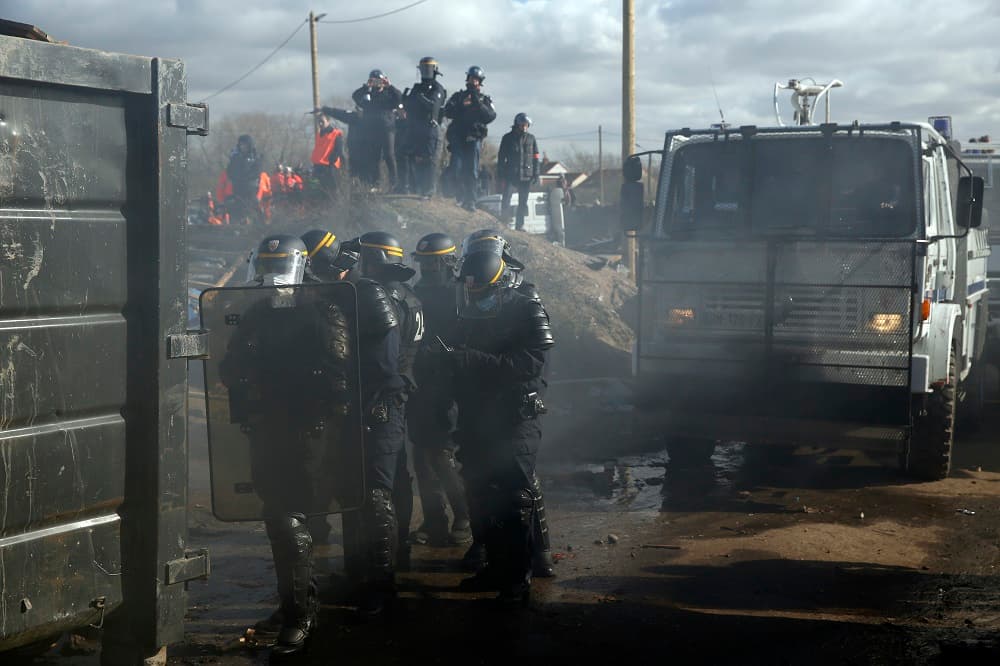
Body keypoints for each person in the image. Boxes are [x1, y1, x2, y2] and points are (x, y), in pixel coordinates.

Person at [219, 234, 355, 657]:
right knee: (278, 518)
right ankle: (293, 606)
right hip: (267, 427)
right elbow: (229, 366)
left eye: (282, 266)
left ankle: (300, 616)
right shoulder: (257, 314)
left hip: (308, 429)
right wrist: (250, 378)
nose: (274, 277)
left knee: (287, 518)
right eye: (268, 266)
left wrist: (294, 382)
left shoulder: (325, 312)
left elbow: (340, 376)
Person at [435, 248, 553, 606]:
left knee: (512, 500)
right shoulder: (467, 311)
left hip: (514, 420)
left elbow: (531, 363)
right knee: (480, 494)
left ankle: (516, 580)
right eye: (471, 292)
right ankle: (495, 569)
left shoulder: (526, 308)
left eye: (482, 293)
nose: (476, 299)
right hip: (477, 419)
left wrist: (473, 360)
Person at [338, 231, 423, 617]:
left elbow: (383, 360)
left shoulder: (372, 293)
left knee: (374, 493)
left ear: (370, 260)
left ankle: (380, 583)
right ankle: (386, 564)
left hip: (377, 401)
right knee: (390, 482)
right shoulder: (407, 295)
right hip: (394, 399)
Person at [407, 233, 473, 547]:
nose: (428, 268)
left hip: (450, 383)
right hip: (419, 382)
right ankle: (434, 520)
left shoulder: (461, 294)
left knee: (442, 453)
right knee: (420, 454)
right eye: (423, 262)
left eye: (433, 262)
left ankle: (464, 516)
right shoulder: (415, 292)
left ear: (447, 261)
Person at [442, 66, 496, 211]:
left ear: (480, 82)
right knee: (457, 167)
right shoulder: (458, 96)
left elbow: (490, 116)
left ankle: (470, 200)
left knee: (472, 170)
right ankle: (458, 196)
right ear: (468, 79)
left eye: (476, 79)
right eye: (471, 78)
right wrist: (461, 105)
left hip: (474, 138)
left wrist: (477, 103)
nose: (473, 82)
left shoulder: (485, 99)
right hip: (458, 137)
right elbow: (447, 111)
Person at [403, 57, 448, 198]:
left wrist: (420, 99)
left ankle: (430, 189)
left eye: (428, 68)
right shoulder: (416, 88)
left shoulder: (438, 88)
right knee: (415, 158)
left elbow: (433, 105)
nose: (425, 72)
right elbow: (408, 105)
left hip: (431, 128)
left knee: (430, 160)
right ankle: (418, 188)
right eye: (423, 69)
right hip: (416, 127)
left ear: (435, 70)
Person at [352, 70, 403, 191]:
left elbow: (400, 98)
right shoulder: (367, 96)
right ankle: (376, 184)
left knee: (389, 156)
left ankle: (394, 183)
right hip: (372, 130)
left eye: (379, 80)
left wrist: (389, 86)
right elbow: (355, 96)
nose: (377, 83)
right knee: (374, 157)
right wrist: (366, 87)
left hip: (388, 129)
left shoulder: (389, 94)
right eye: (374, 80)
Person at [498, 113, 540, 231]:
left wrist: (536, 173)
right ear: (517, 124)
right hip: (511, 175)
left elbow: (536, 156)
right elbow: (501, 156)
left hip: (526, 175)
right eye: (522, 125)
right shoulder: (507, 138)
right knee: (506, 199)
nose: (525, 127)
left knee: (523, 202)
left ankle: (520, 225)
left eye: (526, 125)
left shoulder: (531, 138)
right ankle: (504, 223)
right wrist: (500, 172)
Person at [216, 134, 267, 224]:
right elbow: (230, 171)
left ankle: (259, 222)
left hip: (251, 188)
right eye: (241, 145)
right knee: (233, 206)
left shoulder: (255, 157)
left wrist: (246, 177)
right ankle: (235, 224)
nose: (243, 147)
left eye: (245, 145)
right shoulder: (236, 157)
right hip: (237, 188)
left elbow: (257, 171)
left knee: (253, 206)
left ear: (249, 145)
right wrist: (236, 177)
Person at [311, 113, 345, 194]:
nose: (320, 124)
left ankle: (334, 206)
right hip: (317, 167)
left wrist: (331, 161)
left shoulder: (336, 134)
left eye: (322, 121)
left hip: (330, 168)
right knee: (315, 190)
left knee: (331, 193)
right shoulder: (319, 135)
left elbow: (339, 150)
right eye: (319, 122)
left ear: (328, 121)